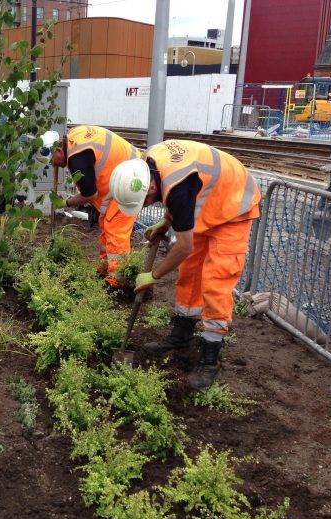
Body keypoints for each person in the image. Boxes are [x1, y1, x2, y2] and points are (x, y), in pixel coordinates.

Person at [134, 140, 261, 389]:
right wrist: (167, 222)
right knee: (190, 272)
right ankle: (181, 335)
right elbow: (179, 195)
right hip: (209, 205)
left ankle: (210, 357)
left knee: (216, 281)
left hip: (234, 206)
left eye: (146, 200)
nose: (147, 205)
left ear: (149, 184)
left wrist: (154, 275)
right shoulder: (149, 165)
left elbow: (183, 243)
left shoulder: (174, 183)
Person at [49, 125, 144, 290]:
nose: (53, 165)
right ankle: (104, 271)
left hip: (130, 182)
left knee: (116, 233)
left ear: (58, 150)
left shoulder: (76, 157)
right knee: (106, 227)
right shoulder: (74, 138)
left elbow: (89, 194)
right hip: (124, 176)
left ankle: (117, 283)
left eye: (52, 160)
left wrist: (65, 203)